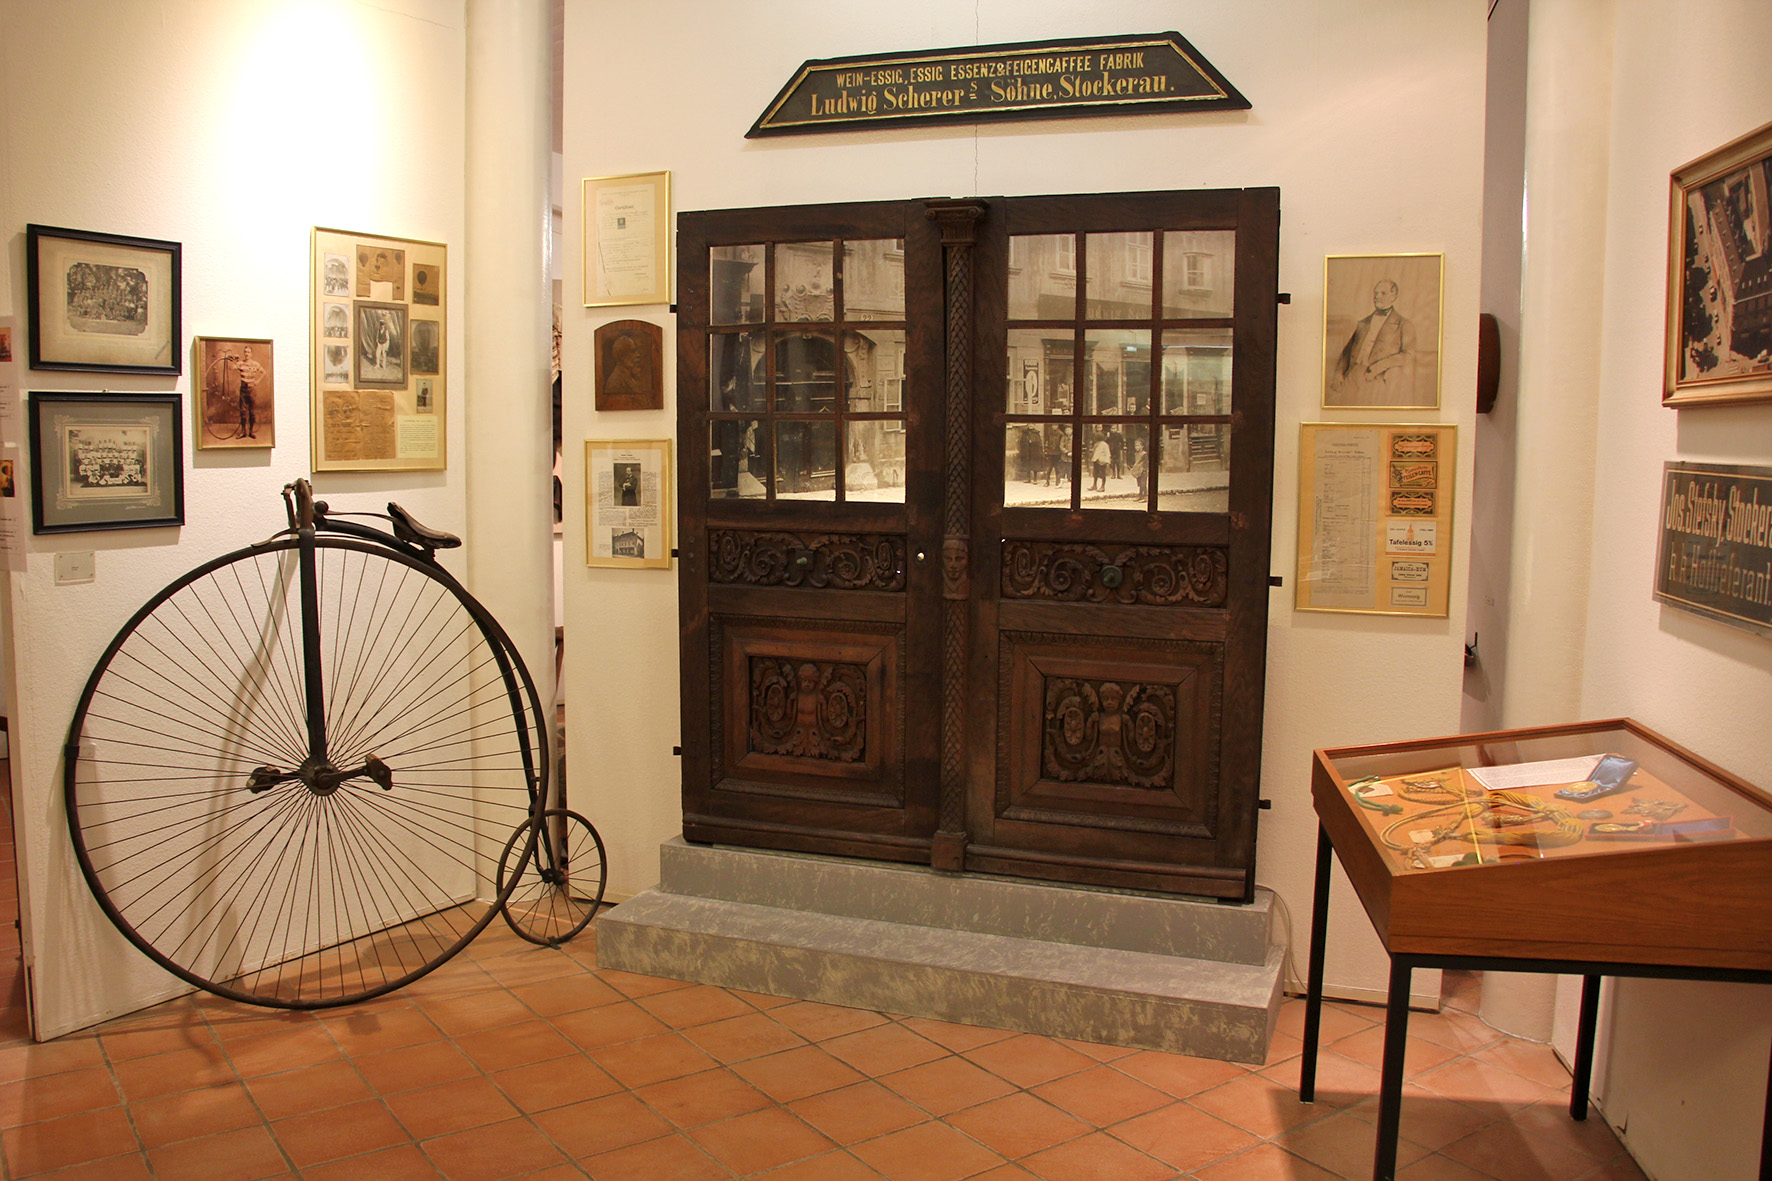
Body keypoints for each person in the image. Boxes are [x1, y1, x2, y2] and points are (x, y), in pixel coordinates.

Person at [1330, 279, 1415, 404]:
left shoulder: (1404, 324)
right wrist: (1338, 374)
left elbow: (1409, 355)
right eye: (1376, 293)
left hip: (1378, 377)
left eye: (1383, 293)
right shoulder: (1363, 323)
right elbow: (1347, 352)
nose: (1377, 296)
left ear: (1394, 296)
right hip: (1353, 374)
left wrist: (1378, 367)